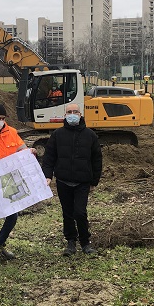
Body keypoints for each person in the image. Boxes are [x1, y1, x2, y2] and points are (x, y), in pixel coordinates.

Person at [42, 103, 102, 256]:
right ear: (65, 115)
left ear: (80, 115)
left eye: (75, 112)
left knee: (80, 212)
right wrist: (48, 175)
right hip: (63, 181)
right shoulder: (57, 135)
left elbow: (97, 159)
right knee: (67, 213)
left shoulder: (90, 135)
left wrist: (94, 181)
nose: (72, 114)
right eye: (69, 112)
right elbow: (49, 157)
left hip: (82, 182)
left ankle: (85, 242)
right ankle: (70, 242)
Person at [0, 103, 35, 260]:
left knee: (12, 216)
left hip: (9, 180)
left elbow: (21, 148)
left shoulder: (12, 132)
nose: (1, 121)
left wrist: (29, 152)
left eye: (3, 118)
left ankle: (0, 243)